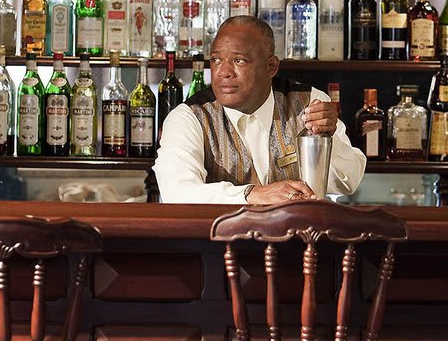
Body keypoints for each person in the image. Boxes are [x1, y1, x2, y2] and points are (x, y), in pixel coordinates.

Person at [153, 16, 366, 204]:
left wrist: (327, 140)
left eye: (239, 60)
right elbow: (178, 193)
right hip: (220, 246)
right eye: (216, 60)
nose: (224, 72)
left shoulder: (309, 102)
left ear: (271, 67)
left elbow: (348, 182)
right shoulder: (189, 117)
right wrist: (253, 195)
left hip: (297, 245)